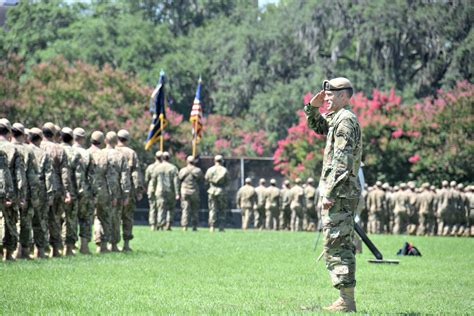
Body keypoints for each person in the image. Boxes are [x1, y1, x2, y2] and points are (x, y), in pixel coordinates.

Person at [305, 77, 362, 312]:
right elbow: (318, 126)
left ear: (343, 96)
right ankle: (345, 298)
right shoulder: (337, 118)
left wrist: (330, 192)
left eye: (330, 95)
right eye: (325, 95)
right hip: (339, 193)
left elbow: (342, 161)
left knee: (337, 245)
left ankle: (347, 301)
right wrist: (312, 106)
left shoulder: (346, 120)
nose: (326, 98)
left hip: (341, 194)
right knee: (336, 243)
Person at [41, 122, 71, 257]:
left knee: (40, 220)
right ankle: (55, 250)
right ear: (54, 134)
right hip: (56, 188)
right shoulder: (59, 149)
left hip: (39, 189)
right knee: (55, 220)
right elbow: (64, 173)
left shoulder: (35, 147)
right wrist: (67, 191)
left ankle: (39, 249)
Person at [11, 123, 40, 259]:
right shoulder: (28, 151)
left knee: (10, 221)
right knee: (25, 221)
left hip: (7, 192)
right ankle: (24, 250)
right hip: (25, 192)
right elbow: (32, 177)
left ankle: (10, 250)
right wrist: (34, 196)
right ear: (23, 135)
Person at [116, 129, 144, 251]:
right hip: (129, 190)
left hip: (113, 190)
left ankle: (112, 243)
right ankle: (126, 244)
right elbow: (135, 173)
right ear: (127, 140)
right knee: (127, 217)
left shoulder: (112, 151)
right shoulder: (131, 153)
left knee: (114, 217)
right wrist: (138, 190)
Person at [28, 127, 53, 258]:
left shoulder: (24, 151)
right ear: (40, 138)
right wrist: (50, 194)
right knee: (40, 221)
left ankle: (23, 250)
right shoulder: (43, 154)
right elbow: (48, 175)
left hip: (26, 191)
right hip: (40, 190)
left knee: (25, 221)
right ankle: (40, 251)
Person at [60, 127, 85, 256]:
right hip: (71, 191)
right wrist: (81, 193)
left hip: (56, 191)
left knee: (56, 219)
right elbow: (79, 176)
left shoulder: (55, 150)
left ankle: (55, 248)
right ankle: (68, 249)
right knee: (70, 221)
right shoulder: (75, 153)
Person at [104, 131, 130, 251]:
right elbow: (125, 177)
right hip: (116, 192)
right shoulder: (120, 156)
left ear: (105, 141)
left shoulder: (100, 154)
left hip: (101, 191)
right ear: (116, 141)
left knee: (100, 217)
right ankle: (113, 245)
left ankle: (101, 244)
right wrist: (126, 194)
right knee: (115, 219)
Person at [73, 127, 93, 254]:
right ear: (83, 138)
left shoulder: (68, 151)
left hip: (70, 189)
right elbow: (92, 175)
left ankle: (70, 246)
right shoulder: (86, 153)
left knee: (70, 218)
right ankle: (84, 246)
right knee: (85, 219)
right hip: (85, 190)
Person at [0, 119, 17, 261]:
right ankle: (8, 254)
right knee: (9, 222)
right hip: (6, 191)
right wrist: (11, 196)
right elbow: (14, 176)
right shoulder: (11, 149)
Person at [204, 155, 229, 232]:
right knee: (222, 209)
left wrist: (208, 187)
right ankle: (221, 227)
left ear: (214, 161)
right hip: (221, 191)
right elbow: (227, 181)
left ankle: (212, 226)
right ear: (222, 161)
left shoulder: (210, 170)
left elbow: (206, 180)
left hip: (211, 190)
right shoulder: (225, 170)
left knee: (212, 209)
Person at [178, 155, 203, 231]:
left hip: (185, 191)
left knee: (185, 209)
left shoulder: (183, 170)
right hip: (194, 191)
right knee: (195, 210)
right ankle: (194, 226)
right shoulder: (198, 170)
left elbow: (179, 179)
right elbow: (200, 180)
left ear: (187, 161)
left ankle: (184, 226)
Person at [146, 151, 161, 231]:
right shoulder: (164, 167)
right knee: (160, 207)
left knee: (152, 207)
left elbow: (146, 179)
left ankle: (152, 225)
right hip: (160, 189)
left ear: (155, 157)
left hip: (151, 189)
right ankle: (159, 224)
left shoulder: (150, 167)